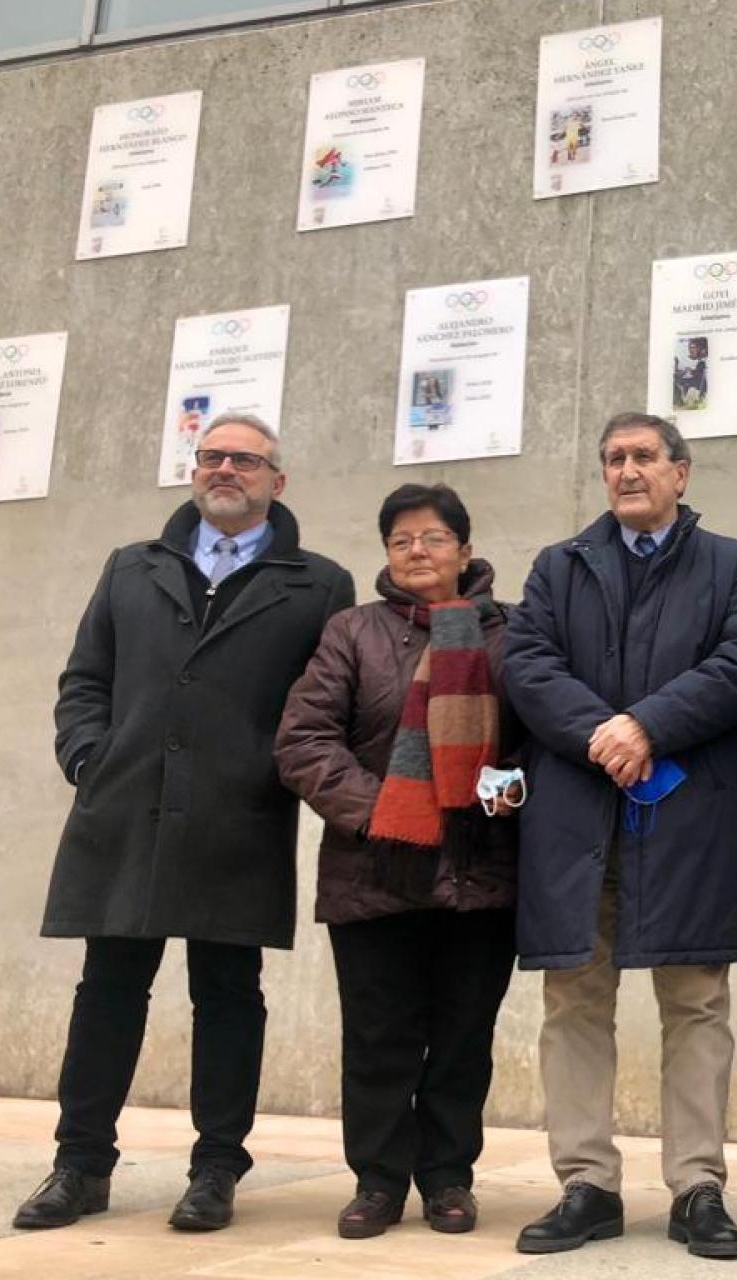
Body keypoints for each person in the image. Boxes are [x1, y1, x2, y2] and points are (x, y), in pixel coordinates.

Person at [14, 413, 354, 1233]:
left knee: (230, 994)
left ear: (278, 480)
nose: (224, 469)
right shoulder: (132, 568)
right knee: (108, 991)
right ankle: (81, 1164)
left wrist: (276, 776)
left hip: (238, 817)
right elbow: (85, 678)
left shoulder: (319, 583)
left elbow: (328, 700)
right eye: (211, 457)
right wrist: (88, 757)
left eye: (244, 459)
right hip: (125, 808)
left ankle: (215, 1170)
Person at [504, 412, 737, 1260]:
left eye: (644, 457)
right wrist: (604, 734)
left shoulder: (734, 565)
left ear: (681, 473)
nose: (627, 471)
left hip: (685, 820)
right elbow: (527, 665)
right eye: (614, 459)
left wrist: (648, 726)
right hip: (576, 824)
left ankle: (698, 1186)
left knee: (696, 1005)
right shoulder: (558, 567)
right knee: (574, 1003)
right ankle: (586, 1185)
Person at [275, 483, 519, 1240]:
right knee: (379, 1036)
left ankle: (448, 1178)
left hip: (482, 868)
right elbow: (304, 739)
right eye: (402, 540)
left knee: (461, 1038)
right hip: (375, 868)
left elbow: (538, 732)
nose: (418, 552)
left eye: (434, 538)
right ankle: (377, 1181)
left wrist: (513, 783)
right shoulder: (352, 632)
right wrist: (385, 810)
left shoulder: (511, 634)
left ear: (465, 551)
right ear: (386, 554)